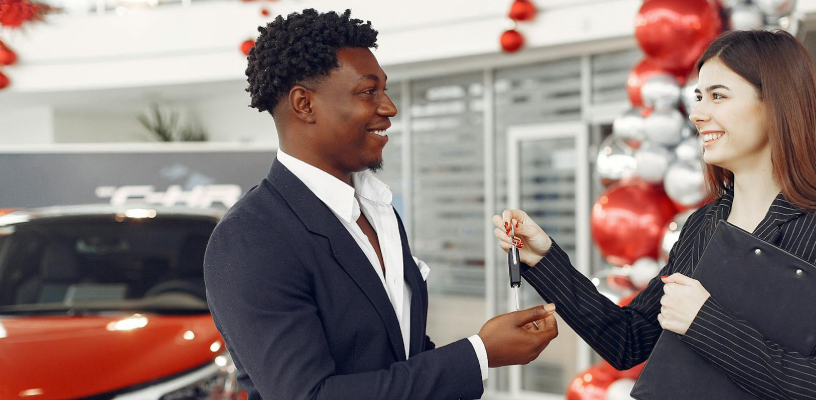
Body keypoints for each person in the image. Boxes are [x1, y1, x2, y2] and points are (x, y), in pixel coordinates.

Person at [493, 29, 816, 399]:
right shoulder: (704, 225)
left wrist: (704, 322)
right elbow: (628, 340)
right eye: (698, 96)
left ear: (776, 103)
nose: (697, 113)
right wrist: (543, 260)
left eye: (718, 96)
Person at [204, 9, 558, 400]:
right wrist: (479, 355)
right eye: (367, 92)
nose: (389, 108)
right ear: (304, 104)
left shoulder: (376, 208)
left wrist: (483, 353)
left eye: (383, 90)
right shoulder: (250, 237)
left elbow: (400, 354)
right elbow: (309, 396)